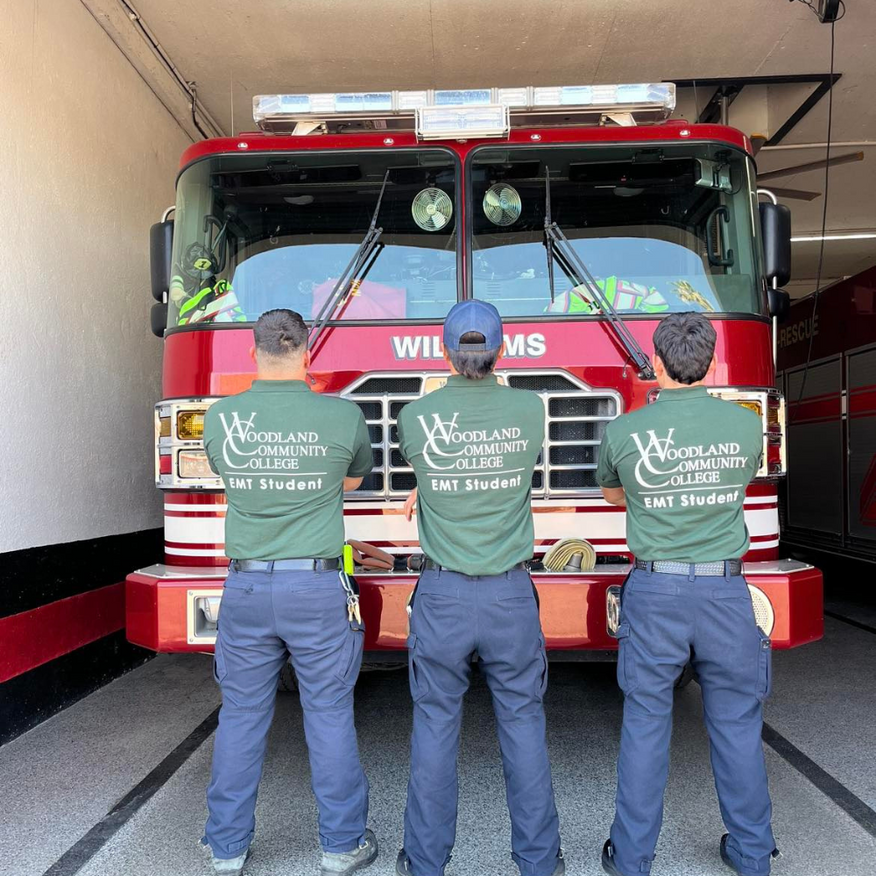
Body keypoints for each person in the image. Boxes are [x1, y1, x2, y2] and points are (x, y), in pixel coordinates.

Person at [596, 312, 779, 876]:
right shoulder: (746, 426)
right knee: (737, 725)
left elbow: (611, 496)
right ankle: (752, 855)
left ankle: (630, 859)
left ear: (655, 362)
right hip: (726, 592)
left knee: (646, 723)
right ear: (708, 363)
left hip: (655, 591)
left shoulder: (625, 432)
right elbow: (743, 480)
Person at [200, 309, 378, 876]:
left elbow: (230, 477)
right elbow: (350, 481)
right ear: (308, 352)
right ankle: (341, 846)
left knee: (242, 716)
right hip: (316, 587)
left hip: (246, 585)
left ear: (251, 353)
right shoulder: (343, 416)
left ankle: (226, 850)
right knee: (327, 713)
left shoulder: (221, 418)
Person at [395, 299, 564, 876]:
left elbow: (433, 472)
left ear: (443, 351)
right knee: (523, 725)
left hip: (440, 596)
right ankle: (540, 862)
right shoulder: (530, 410)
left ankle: (424, 861)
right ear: (502, 350)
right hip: (510, 596)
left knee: (435, 728)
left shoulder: (415, 418)